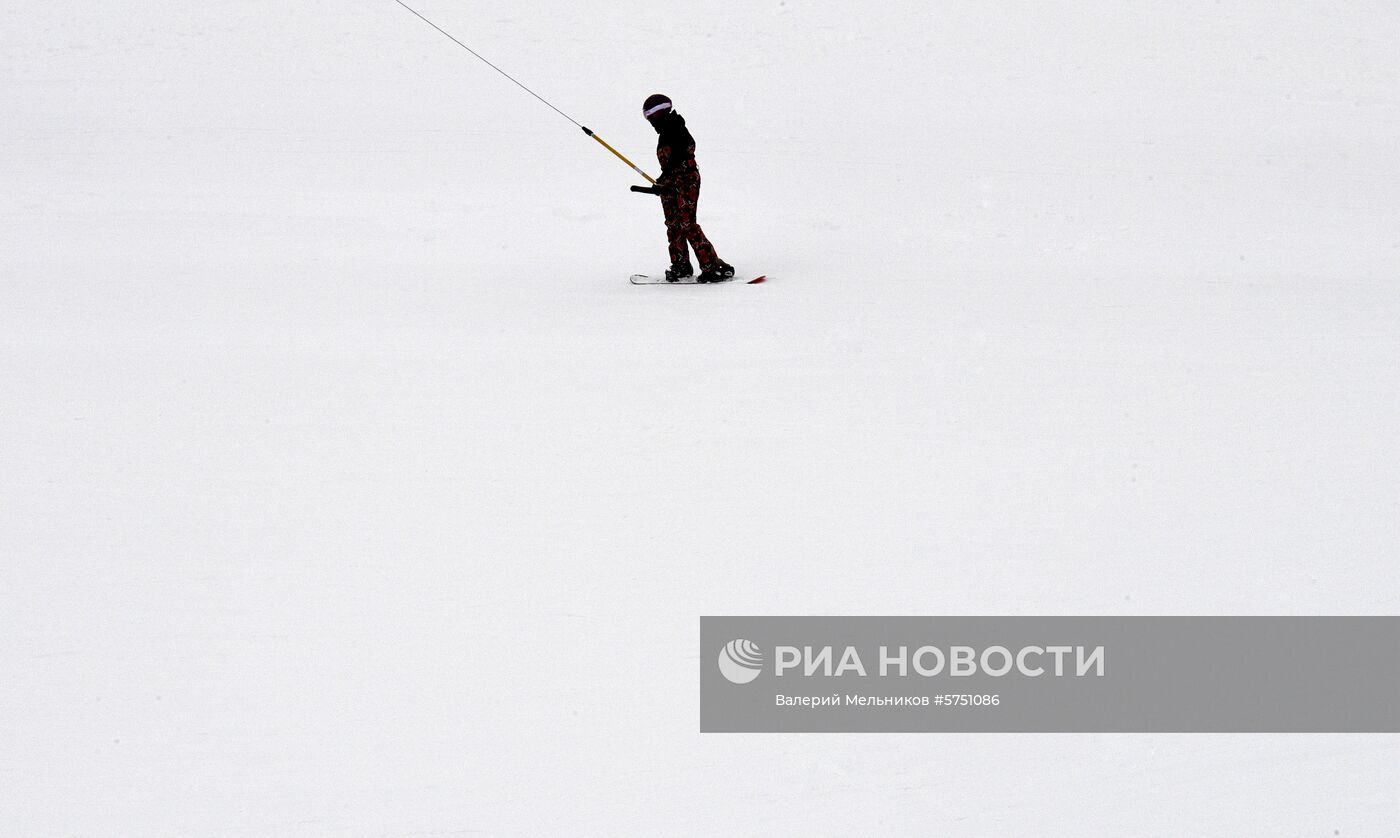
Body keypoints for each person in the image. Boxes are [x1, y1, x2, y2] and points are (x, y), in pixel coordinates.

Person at [640, 94, 734, 283]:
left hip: (686, 181)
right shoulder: (665, 132)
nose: (649, 121)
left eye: (650, 116)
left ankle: (713, 267)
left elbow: (680, 158)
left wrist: (666, 179)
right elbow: (668, 167)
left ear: (659, 112)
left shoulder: (676, 127)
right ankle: (681, 266)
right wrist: (662, 182)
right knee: (673, 225)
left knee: (686, 223)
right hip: (672, 183)